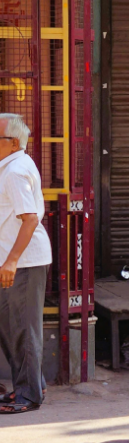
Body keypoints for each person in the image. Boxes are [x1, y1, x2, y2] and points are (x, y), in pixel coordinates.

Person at [0, 113, 52, 414]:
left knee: (23, 328)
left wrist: (12, 261)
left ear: (13, 143)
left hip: (23, 262)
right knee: (10, 327)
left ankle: (29, 396)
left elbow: (30, 219)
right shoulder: (10, 166)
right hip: (12, 260)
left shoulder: (16, 171)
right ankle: (32, 385)